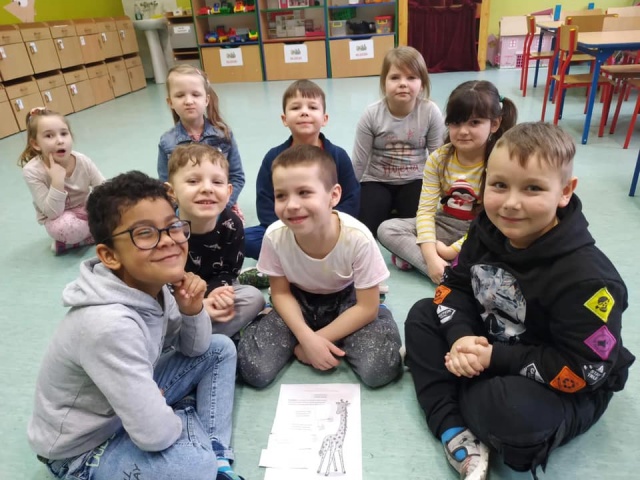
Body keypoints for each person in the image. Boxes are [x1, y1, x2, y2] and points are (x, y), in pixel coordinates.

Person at [404, 123, 635, 480]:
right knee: (422, 314)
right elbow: (454, 287)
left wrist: (490, 359)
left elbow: (583, 370)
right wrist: (462, 338)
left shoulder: (589, 281)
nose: (511, 203)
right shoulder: (485, 228)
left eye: (533, 188)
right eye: (499, 185)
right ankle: (452, 427)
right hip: (493, 344)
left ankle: (444, 378)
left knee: (513, 415)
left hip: (561, 379)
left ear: (565, 192)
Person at [27, 171, 243, 480]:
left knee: (220, 348)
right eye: (144, 233)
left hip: (126, 406)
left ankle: (217, 455)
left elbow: (196, 350)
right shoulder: (108, 325)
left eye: (172, 226)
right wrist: (163, 413)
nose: (168, 240)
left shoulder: (155, 285)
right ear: (110, 256)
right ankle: (202, 442)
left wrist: (192, 310)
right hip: (84, 447)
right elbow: (155, 436)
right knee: (193, 467)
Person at [237, 145, 402, 389]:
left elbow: (367, 307)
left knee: (379, 370)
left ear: (333, 195)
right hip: (297, 300)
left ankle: (376, 319)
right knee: (253, 370)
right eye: (281, 196)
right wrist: (306, 337)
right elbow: (280, 293)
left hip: (348, 300)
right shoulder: (274, 236)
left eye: (304, 192)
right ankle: (272, 321)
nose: (291, 205)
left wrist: (314, 342)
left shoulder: (358, 238)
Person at [378, 80, 517, 283]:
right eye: (456, 123)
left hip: (482, 230)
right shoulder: (439, 159)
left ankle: (444, 264)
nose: (463, 131)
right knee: (387, 229)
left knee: (507, 240)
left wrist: (451, 250)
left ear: (494, 124)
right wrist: (431, 257)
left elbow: (492, 220)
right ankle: (447, 273)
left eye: (474, 123)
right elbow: (426, 211)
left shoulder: (500, 160)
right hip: (444, 223)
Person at [243, 79, 360, 262]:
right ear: (284, 119)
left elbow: (351, 198)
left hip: (327, 229)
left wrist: (326, 225)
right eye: (296, 107)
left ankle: (293, 259)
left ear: (324, 119)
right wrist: (290, 229)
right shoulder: (273, 157)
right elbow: (265, 202)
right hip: (288, 226)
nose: (304, 112)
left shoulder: (338, 156)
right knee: (243, 238)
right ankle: (298, 257)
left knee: (357, 236)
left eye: (312, 107)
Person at [166, 143, 265, 338]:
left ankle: (194, 337)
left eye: (217, 182)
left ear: (228, 192)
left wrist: (217, 292)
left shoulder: (232, 224)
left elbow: (228, 271)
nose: (207, 188)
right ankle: (193, 336)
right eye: (193, 181)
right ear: (172, 192)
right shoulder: (164, 229)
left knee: (254, 298)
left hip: (213, 289)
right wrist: (194, 306)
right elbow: (158, 284)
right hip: (175, 299)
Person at [352, 45, 445, 238]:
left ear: (422, 83)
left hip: (416, 180)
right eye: (395, 77)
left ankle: (395, 213)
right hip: (376, 180)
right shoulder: (371, 114)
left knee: (418, 228)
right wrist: (348, 195)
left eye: (411, 77)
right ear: (384, 82)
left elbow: (438, 157)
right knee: (365, 229)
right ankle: (386, 209)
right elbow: (359, 161)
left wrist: (445, 194)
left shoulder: (430, 112)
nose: (403, 83)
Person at [157, 64, 245, 218]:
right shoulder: (167, 142)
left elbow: (237, 176)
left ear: (206, 100)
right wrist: (184, 208)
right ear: (170, 102)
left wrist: (223, 204)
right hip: (186, 211)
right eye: (180, 95)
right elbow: (166, 184)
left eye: (196, 94)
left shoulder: (223, 135)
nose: (188, 101)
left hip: (221, 206)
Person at [18, 107, 104, 255]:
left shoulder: (82, 160)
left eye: (64, 133)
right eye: (49, 136)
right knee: (65, 228)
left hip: (86, 209)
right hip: (61, 217)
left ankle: (81, 239)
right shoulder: (32, 171)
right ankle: (96, 233)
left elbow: (103, 188)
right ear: (36, 144)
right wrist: (57, 181)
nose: (60, 140)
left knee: (115, 205)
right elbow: (53, 213)